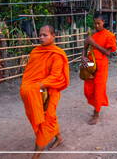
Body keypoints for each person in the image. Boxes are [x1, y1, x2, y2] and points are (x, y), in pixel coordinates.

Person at [20, 25, 69, 159]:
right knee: (50, 118)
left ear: (53, 36)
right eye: (40, 35)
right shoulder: (35, 52)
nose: (41, 37)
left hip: (50, 92)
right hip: (36, 92)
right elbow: (29, 74)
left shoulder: (57, 54)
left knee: (45, 122)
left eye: (45, 35)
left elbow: (56, 76)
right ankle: (59, 138)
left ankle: (35, 156)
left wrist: (39, 85)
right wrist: (33, 87)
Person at [81, 13, 116, 125]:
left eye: (98, 23)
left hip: (101, 68)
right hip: (90, 67)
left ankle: (96, 114)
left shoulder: (109, 36)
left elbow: (108, 53)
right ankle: (96, 108)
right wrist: (83, 57)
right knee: (88, 90)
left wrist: (94, 44)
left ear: (103, 22)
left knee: (98, 90)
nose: (96, 26)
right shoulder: (92, 36)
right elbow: (85, 48)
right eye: (95, 23)